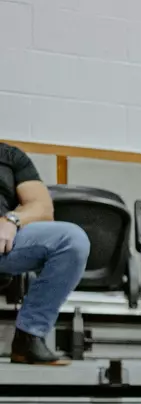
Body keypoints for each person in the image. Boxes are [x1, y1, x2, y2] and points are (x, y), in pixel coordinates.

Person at [1, 142, 89, 365]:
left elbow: (42, 207)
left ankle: (29, 337)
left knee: (72, 240)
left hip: (4, 239)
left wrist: (11, 220)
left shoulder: (10, 156)